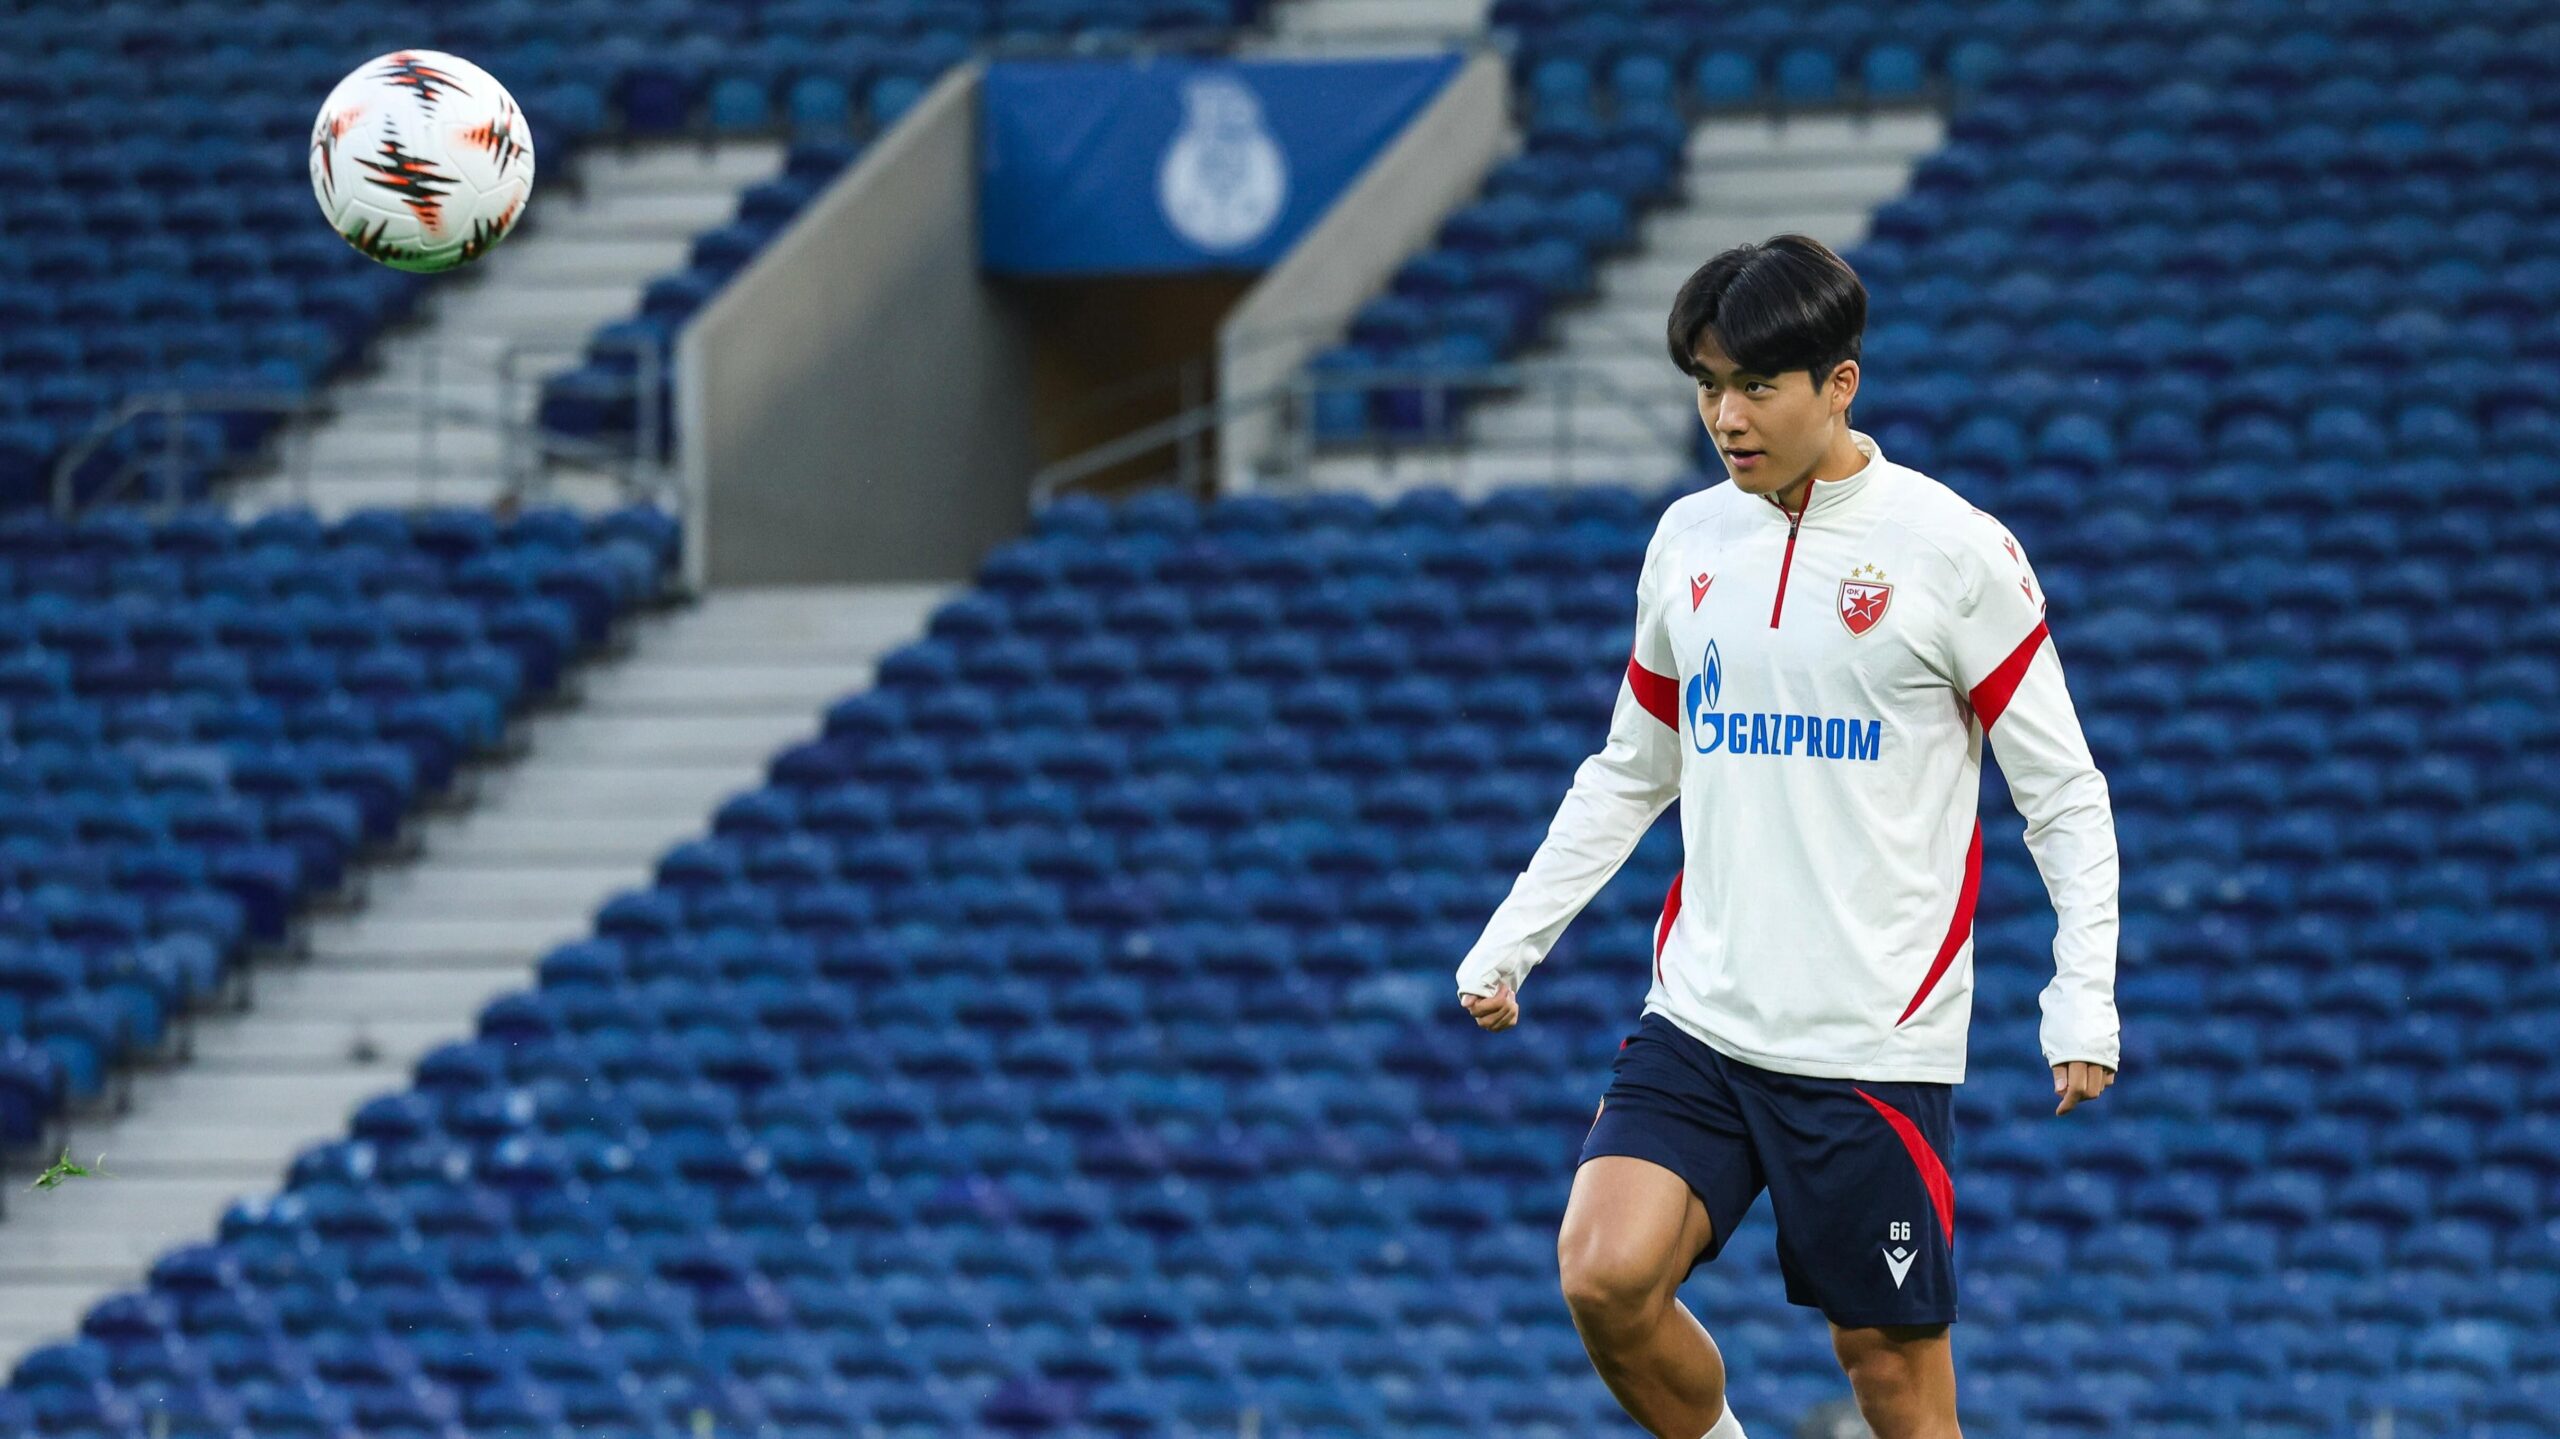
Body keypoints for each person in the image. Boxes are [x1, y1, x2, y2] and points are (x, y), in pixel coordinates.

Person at [1452, 234, 2121, 1439]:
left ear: (1839, 382)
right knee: (1603, 1272)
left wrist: (2083, 997)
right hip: (1703, 1015)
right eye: (1708, 385)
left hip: (1869, 1040)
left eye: (1757, 384)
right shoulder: (1687, 540)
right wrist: (1513, 938)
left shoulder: (1953, 551)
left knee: (1891, 1381)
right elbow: (1631, 768)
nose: (1726, 416)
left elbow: (2064, 791)